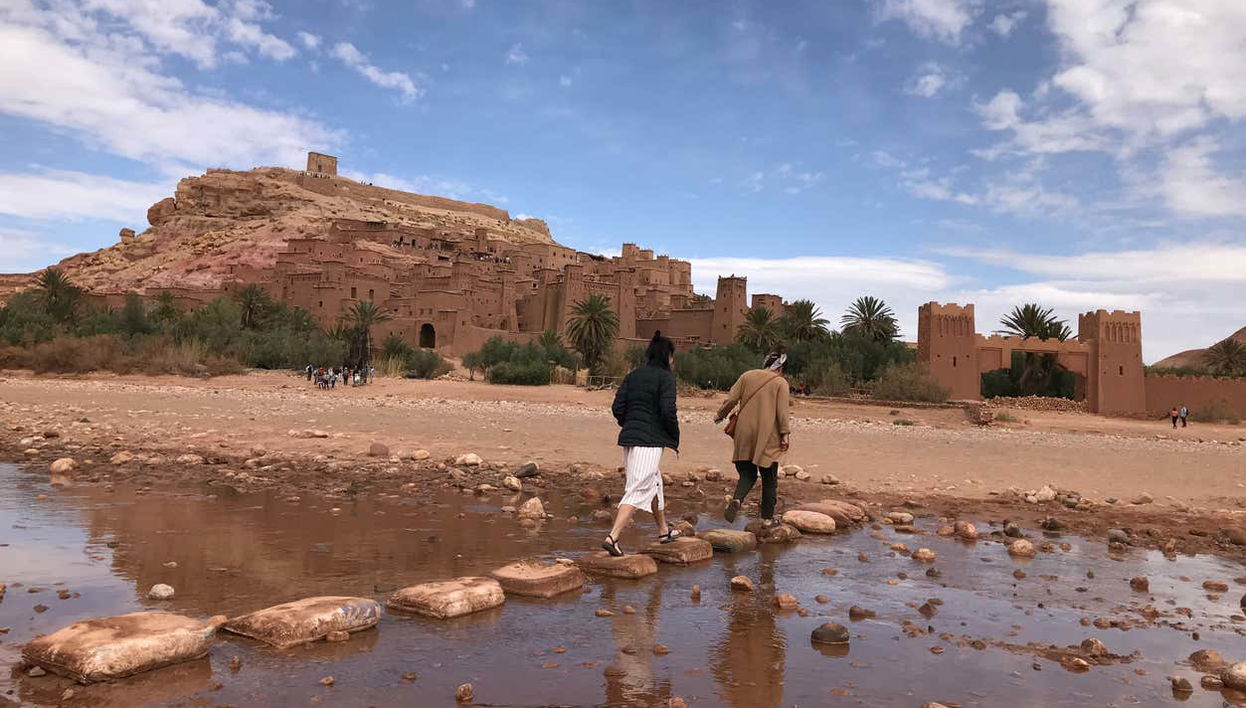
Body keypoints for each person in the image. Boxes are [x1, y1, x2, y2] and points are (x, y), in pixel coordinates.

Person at [602, 331, 682, 556]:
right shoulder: (666, 378)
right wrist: (673, 434)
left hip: (631, 438)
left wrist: (630, 423)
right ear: (667, 356)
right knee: (638, 488)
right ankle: (613, 537)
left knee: (654, 483)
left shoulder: (633, 375)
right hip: (649, 441)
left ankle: (663, 530)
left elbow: (618, 407)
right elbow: (668, 411)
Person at [714, 349, 791, 528]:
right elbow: (782, 413)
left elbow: (731, 399)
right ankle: (767, 519)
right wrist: (785, 434)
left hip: (743, 431)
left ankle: (738, 500)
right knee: (769, 477)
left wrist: (720, 415)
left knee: (747, 473)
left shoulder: (747, 376)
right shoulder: (780, 383)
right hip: (767, 435)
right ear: (780, 368)